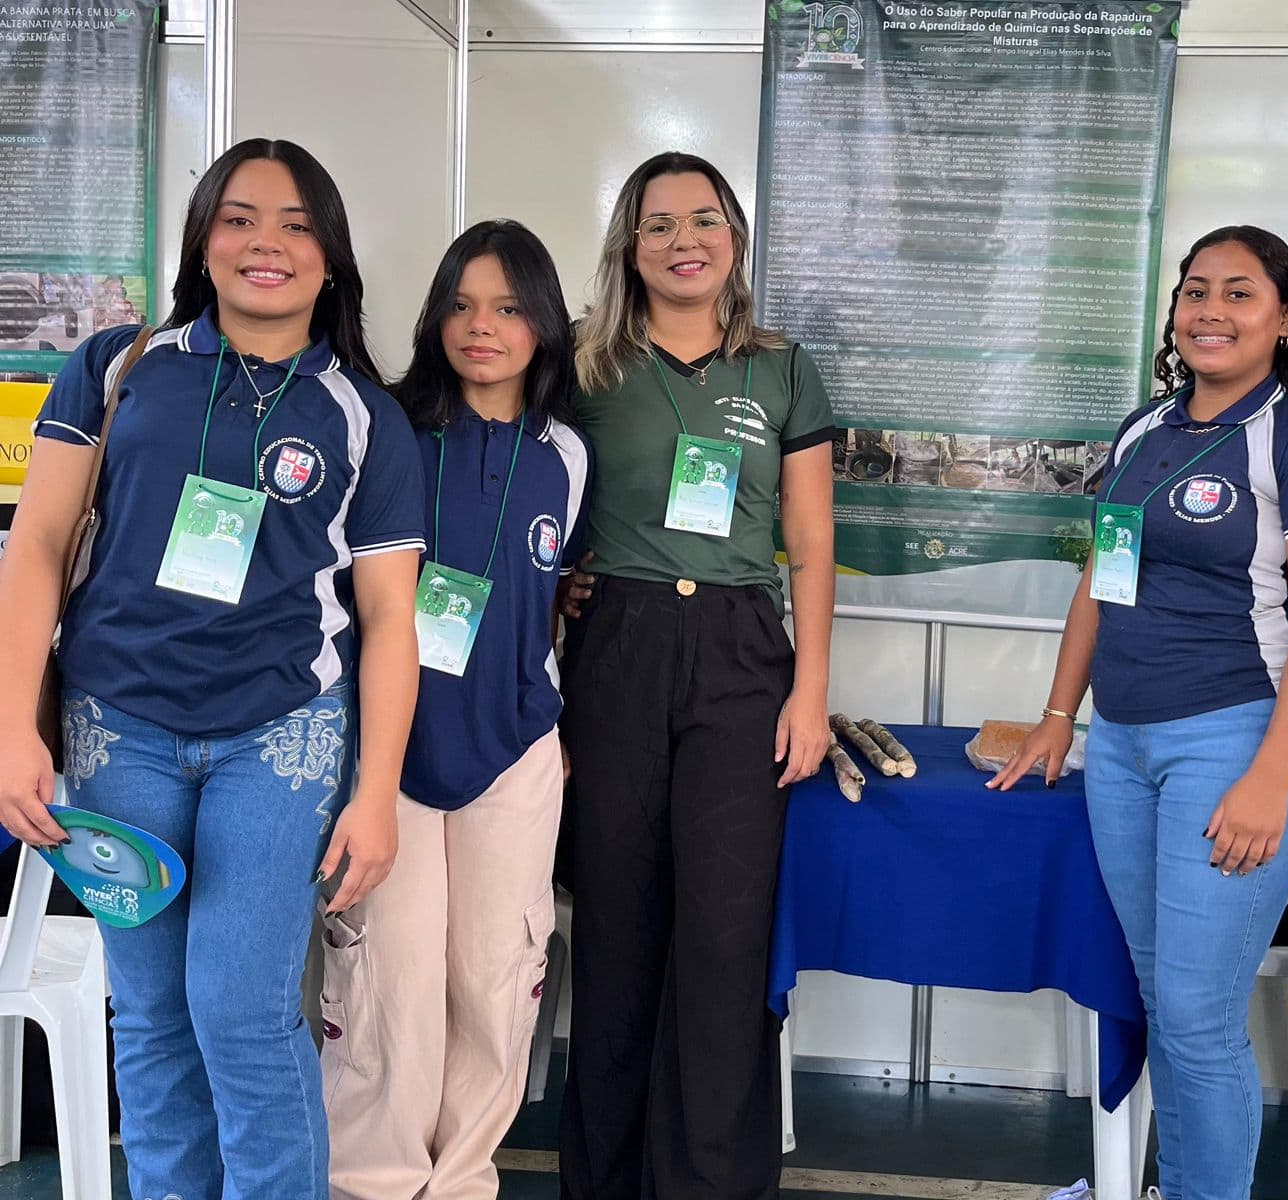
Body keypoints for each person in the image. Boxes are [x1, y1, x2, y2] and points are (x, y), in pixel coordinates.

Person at [0, 138, 424, 1200]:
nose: (264, 243)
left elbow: (388, 620)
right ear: (202, 238)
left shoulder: (365, 416)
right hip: (117, 733)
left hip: (279, 739)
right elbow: (37, 548)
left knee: (240, 1012)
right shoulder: (119, 366)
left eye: (294, 223)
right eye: (238, 217)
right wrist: (13, 726)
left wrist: (376, 795)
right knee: (147, 1015)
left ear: (330, 256)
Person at [992, 227, 1288, 1200]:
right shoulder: (1141, 431)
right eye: (1195, 291)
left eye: (1239, 294)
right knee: (1168, 1003)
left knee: (1198, 1017)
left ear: (1283, 320)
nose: (1210, 311)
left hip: (1234, 744)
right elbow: (1100, 583)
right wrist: (1055, 715)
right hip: (1120, 747)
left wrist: (1270, 779)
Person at [556, 151, 835, 1200]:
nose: (685, 241)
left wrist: (808, 691)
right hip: (615, 653)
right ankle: (608, 1179)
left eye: (705, 220)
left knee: (723, 942)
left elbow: (808, 543)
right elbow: (533, 511)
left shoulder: (781, 367)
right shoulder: (582, 366)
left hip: (739, 661)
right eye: (661, 223)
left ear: (735, 240)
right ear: (630, 244)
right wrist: (555, 598)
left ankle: (709, 1182)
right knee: (619, 934)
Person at [320, 218, 590, 1200]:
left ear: (543, 325)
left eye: (510, 307)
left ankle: (462, 1181)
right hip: (386, 756)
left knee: (492, 981)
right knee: (387, 982)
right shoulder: (381, 427)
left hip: (513, 752)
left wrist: (547, 715)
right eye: (464, 305)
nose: (484, 328)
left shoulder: (566, 451)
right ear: (436, 316)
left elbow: (558, 583)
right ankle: (372, 1183)